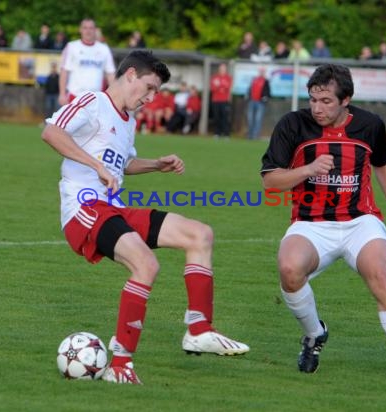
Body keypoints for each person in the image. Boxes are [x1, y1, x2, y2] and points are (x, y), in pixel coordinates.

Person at [41, 50, 249, 385]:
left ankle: (199, 329)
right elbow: (51, 132)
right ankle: (121, 364)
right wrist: (96, 167)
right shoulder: (93, 101)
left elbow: (120, 164)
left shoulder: (128, 121)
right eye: (149, 88)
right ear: (131, 75)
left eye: (157, 93)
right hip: (83, 209)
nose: (151, 98)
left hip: (113, 207)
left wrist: (155, 164)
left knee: (199, 234)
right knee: (146, 265)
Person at [260, 64, 386, 386]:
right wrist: (308, 169)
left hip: (360, 222)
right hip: (311, 224)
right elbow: (271, 181)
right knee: (288, 269)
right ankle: (315, 334)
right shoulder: (293, 125)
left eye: (326, 101)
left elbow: (382, 162)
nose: (317, 108)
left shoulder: (370, 125)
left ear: (346, 100)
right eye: (313, 100)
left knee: (380, 274)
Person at [58, 18, 116, 105]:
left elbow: (110, 74)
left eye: (91, 28)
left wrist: (114, 96)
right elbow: (64, 71)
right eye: (85, 28)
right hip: (75, 97)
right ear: (80, 30)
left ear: (95, 30)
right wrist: (62, 94)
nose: (88, 31)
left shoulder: (104, 49)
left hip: (96, 99)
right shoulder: (72, 47)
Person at [245, 67, 271, 140]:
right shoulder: (254, 80)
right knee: (250, 119)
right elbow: (250, 89)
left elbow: (268, 93)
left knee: (258, 119)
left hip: (260, 103)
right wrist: (249, 96)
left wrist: (265, 98)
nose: (262, 73)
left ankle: (255, 136)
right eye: (261, 71)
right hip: (252, 101)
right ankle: (250, 135)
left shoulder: (266, 81)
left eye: (263, 71)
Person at [210, 62, 233, 138]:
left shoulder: (228, 78)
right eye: (221, 69)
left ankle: (226, 133)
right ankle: (217, 133)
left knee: (225, 117)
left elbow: (227, 87)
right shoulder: (215, 77)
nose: (222, 70)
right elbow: (213, 88)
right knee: (216, 117)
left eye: (224, 69)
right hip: (216, 100)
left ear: (225, 70)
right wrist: (221, 87)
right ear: (219, 69)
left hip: (225, 100)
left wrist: (220, 86)